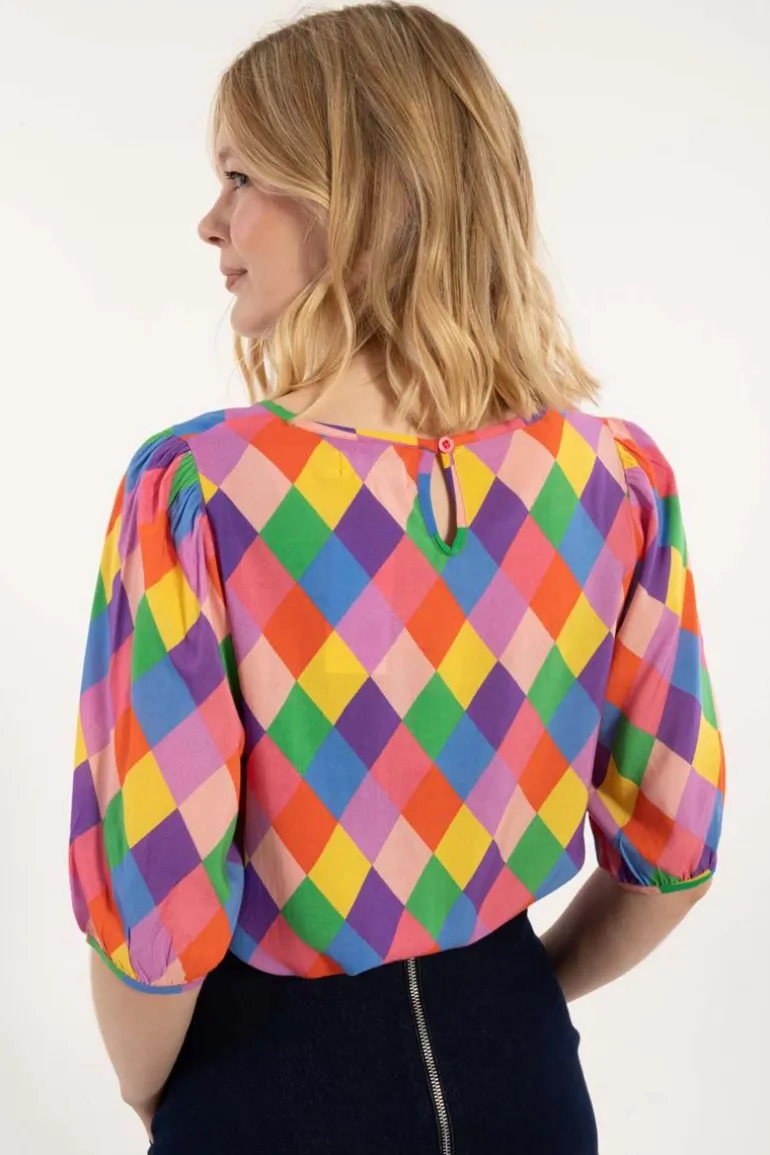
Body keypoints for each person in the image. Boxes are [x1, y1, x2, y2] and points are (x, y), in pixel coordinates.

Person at [67, 4, 726, 1153]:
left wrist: (156, 1097)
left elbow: (154, 920)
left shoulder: (200, 493)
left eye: (240, 176)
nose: (210, 220)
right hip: (524, 1077)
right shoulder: (614, 480)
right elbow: (672, 857)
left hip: (267, 1084)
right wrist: (516, 1006)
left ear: (357, 197)